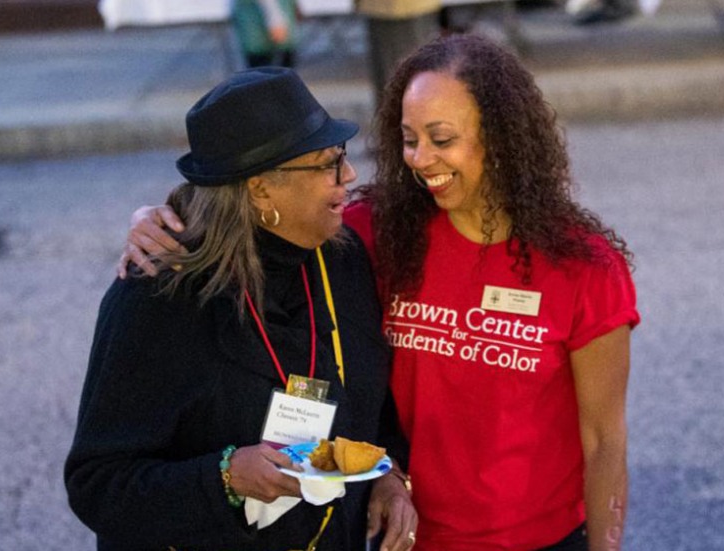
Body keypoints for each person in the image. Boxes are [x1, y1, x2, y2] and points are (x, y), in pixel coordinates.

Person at [121, 34, 640, 551]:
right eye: (409, 138)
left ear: (500, 137)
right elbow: (263, 216)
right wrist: (166, 219)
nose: (419, 158)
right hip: (406, 535)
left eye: (442, 139)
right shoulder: (375, 232)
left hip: (541, 540)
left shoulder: (584, 267)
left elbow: (604, 442)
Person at [65, 67, 417, 551]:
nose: (349, 175)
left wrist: (388, 475)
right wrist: (225, 477)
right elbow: (98, 485)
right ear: (259, 188)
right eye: (327, 162)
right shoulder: (158, 297)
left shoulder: (342, 258)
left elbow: (369, 412)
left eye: (344, 156)